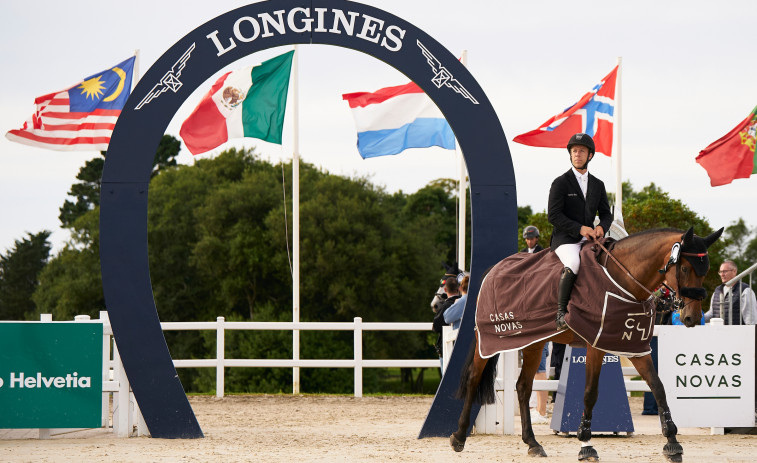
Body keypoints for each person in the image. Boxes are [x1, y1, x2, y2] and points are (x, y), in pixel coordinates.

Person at [548, 133, 613, 330]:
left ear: (590, 155)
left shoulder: (598, 184)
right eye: (574, 151)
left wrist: (602, 226)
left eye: (581, 151)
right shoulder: (560, 182)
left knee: (609, 259)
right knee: (575, 262)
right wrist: (580, 228)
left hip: (590, 238)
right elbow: (553, 215)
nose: (577, 154)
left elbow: (606, 214)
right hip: (565, 239)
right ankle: (561, 313)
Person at [704, 260, 757, 325]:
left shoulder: (745, 290)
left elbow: (751, 320)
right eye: (720, 272)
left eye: (725, 271)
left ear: (734, 271)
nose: (722, 274)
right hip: (719, 333)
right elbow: (712, 313)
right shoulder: (717, 291)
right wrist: (700, 318)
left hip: (737, 333)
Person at [433, 277, 460, 369]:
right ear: (458, 288)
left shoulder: (445, 306)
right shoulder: (464, 303)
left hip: (447, 348)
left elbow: (435, 327)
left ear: (445, 290)